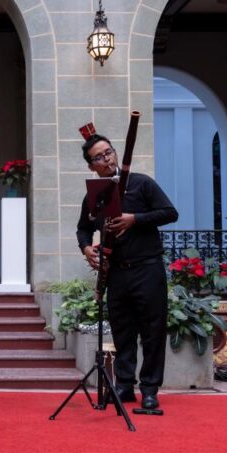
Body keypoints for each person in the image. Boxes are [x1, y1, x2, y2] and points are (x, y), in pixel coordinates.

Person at [76, 128, 178, 411]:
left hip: (147, 268)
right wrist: (86, 247)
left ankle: (149, 390)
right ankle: (123, 385)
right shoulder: (94, 195)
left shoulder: (141, 184)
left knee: (152, 331)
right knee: (122, 331)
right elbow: (83, 228)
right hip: (116, 272)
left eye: (109, 153)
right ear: (91, 166)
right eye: (99, 157)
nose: (107, 160)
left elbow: (170, 213)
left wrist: (135, 219)